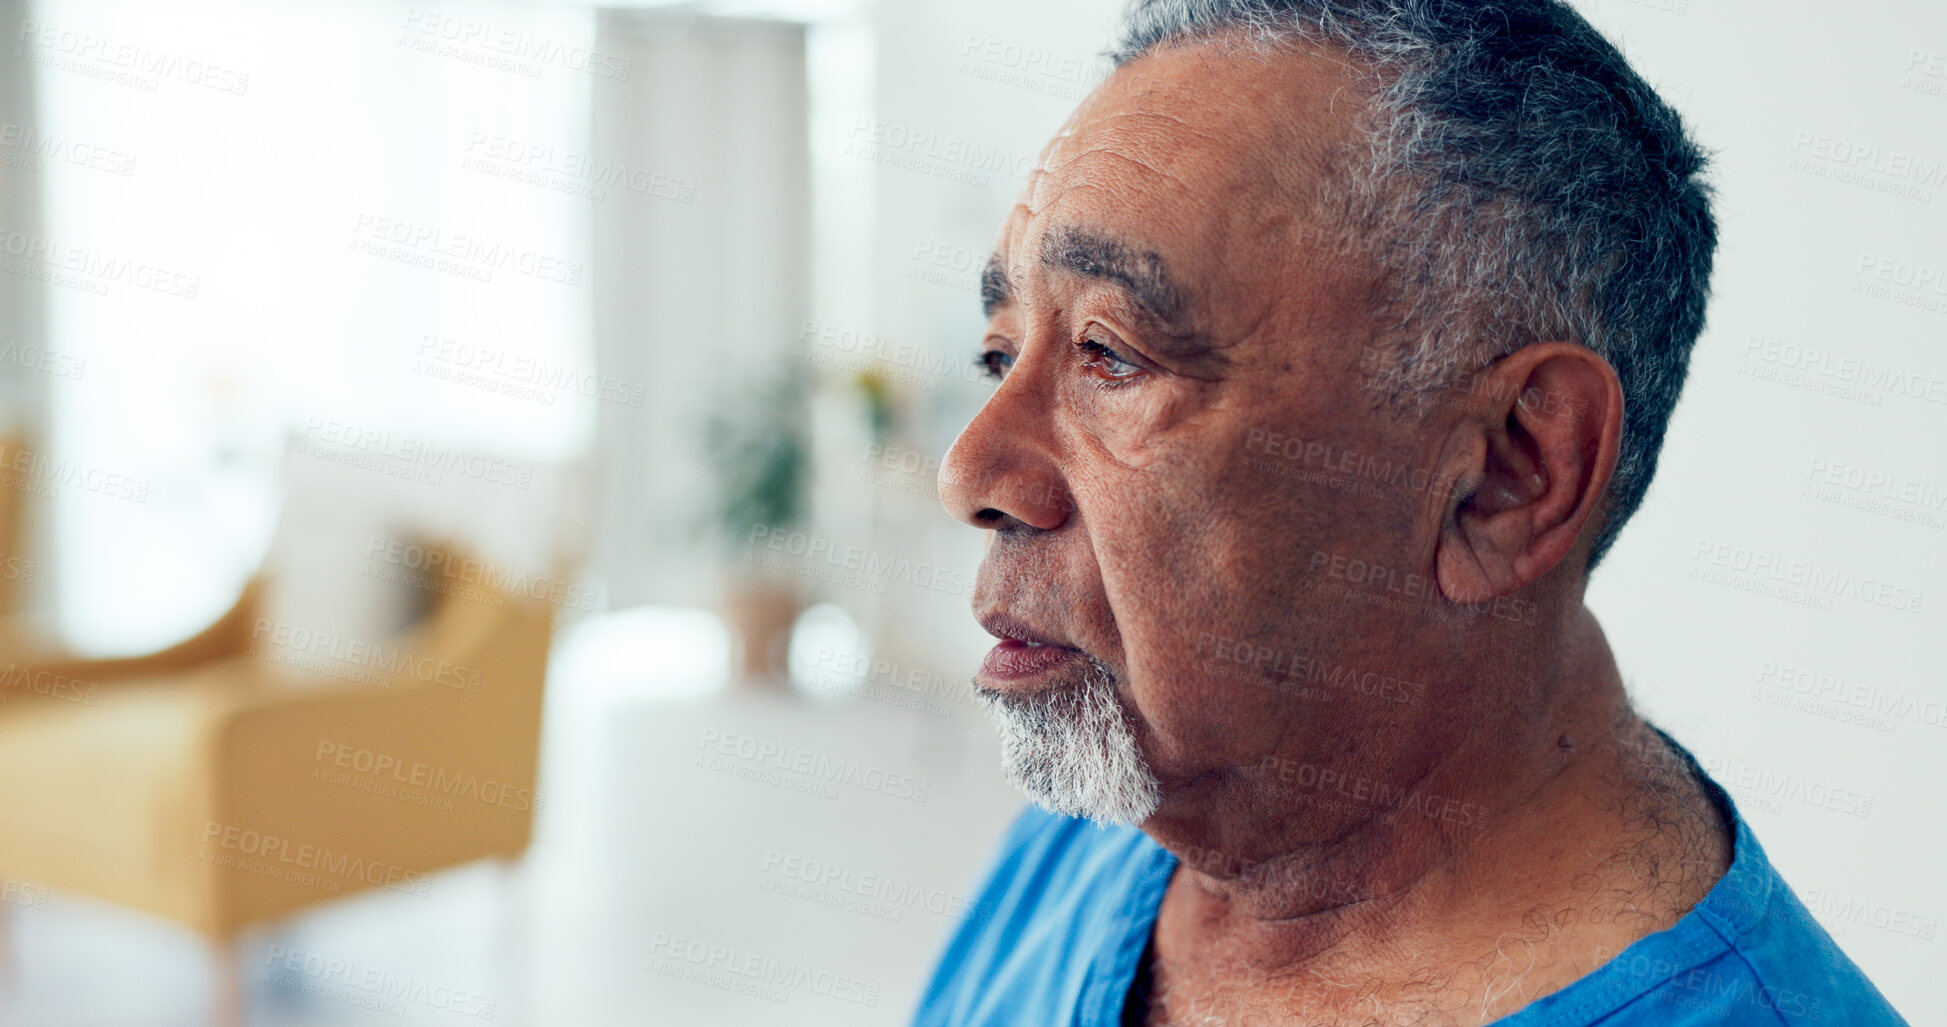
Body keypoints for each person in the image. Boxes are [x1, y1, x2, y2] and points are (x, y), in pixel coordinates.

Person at [915, 1, 1910, 1024]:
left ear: (1508, 474)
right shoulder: (1107, 819)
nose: (970, 471)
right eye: (1000, 353)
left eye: (1110, 354)